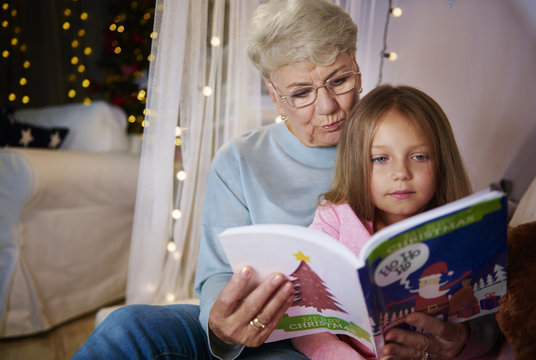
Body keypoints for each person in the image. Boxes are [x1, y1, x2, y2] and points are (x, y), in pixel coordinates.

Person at [72, 1, 497, 359]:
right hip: (254, 332)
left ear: (359, 71)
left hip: (334, 345)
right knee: (128, 326)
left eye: (340, 80)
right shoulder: (239, 160)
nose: (328, 106)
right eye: (301, 93)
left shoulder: (398, 143)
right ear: (274, 94)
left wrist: (460, 339)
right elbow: (216, 276)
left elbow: (474, 284)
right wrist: (222, 329)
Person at [290, 84, 500, 360]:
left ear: (441, 162)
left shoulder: (465, 228)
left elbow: (492, 324)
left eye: (418, 156)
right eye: (380, 159)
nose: (401, 173)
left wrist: (462, 341)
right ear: (356, 164)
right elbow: (306, 323)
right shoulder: (334, 219)